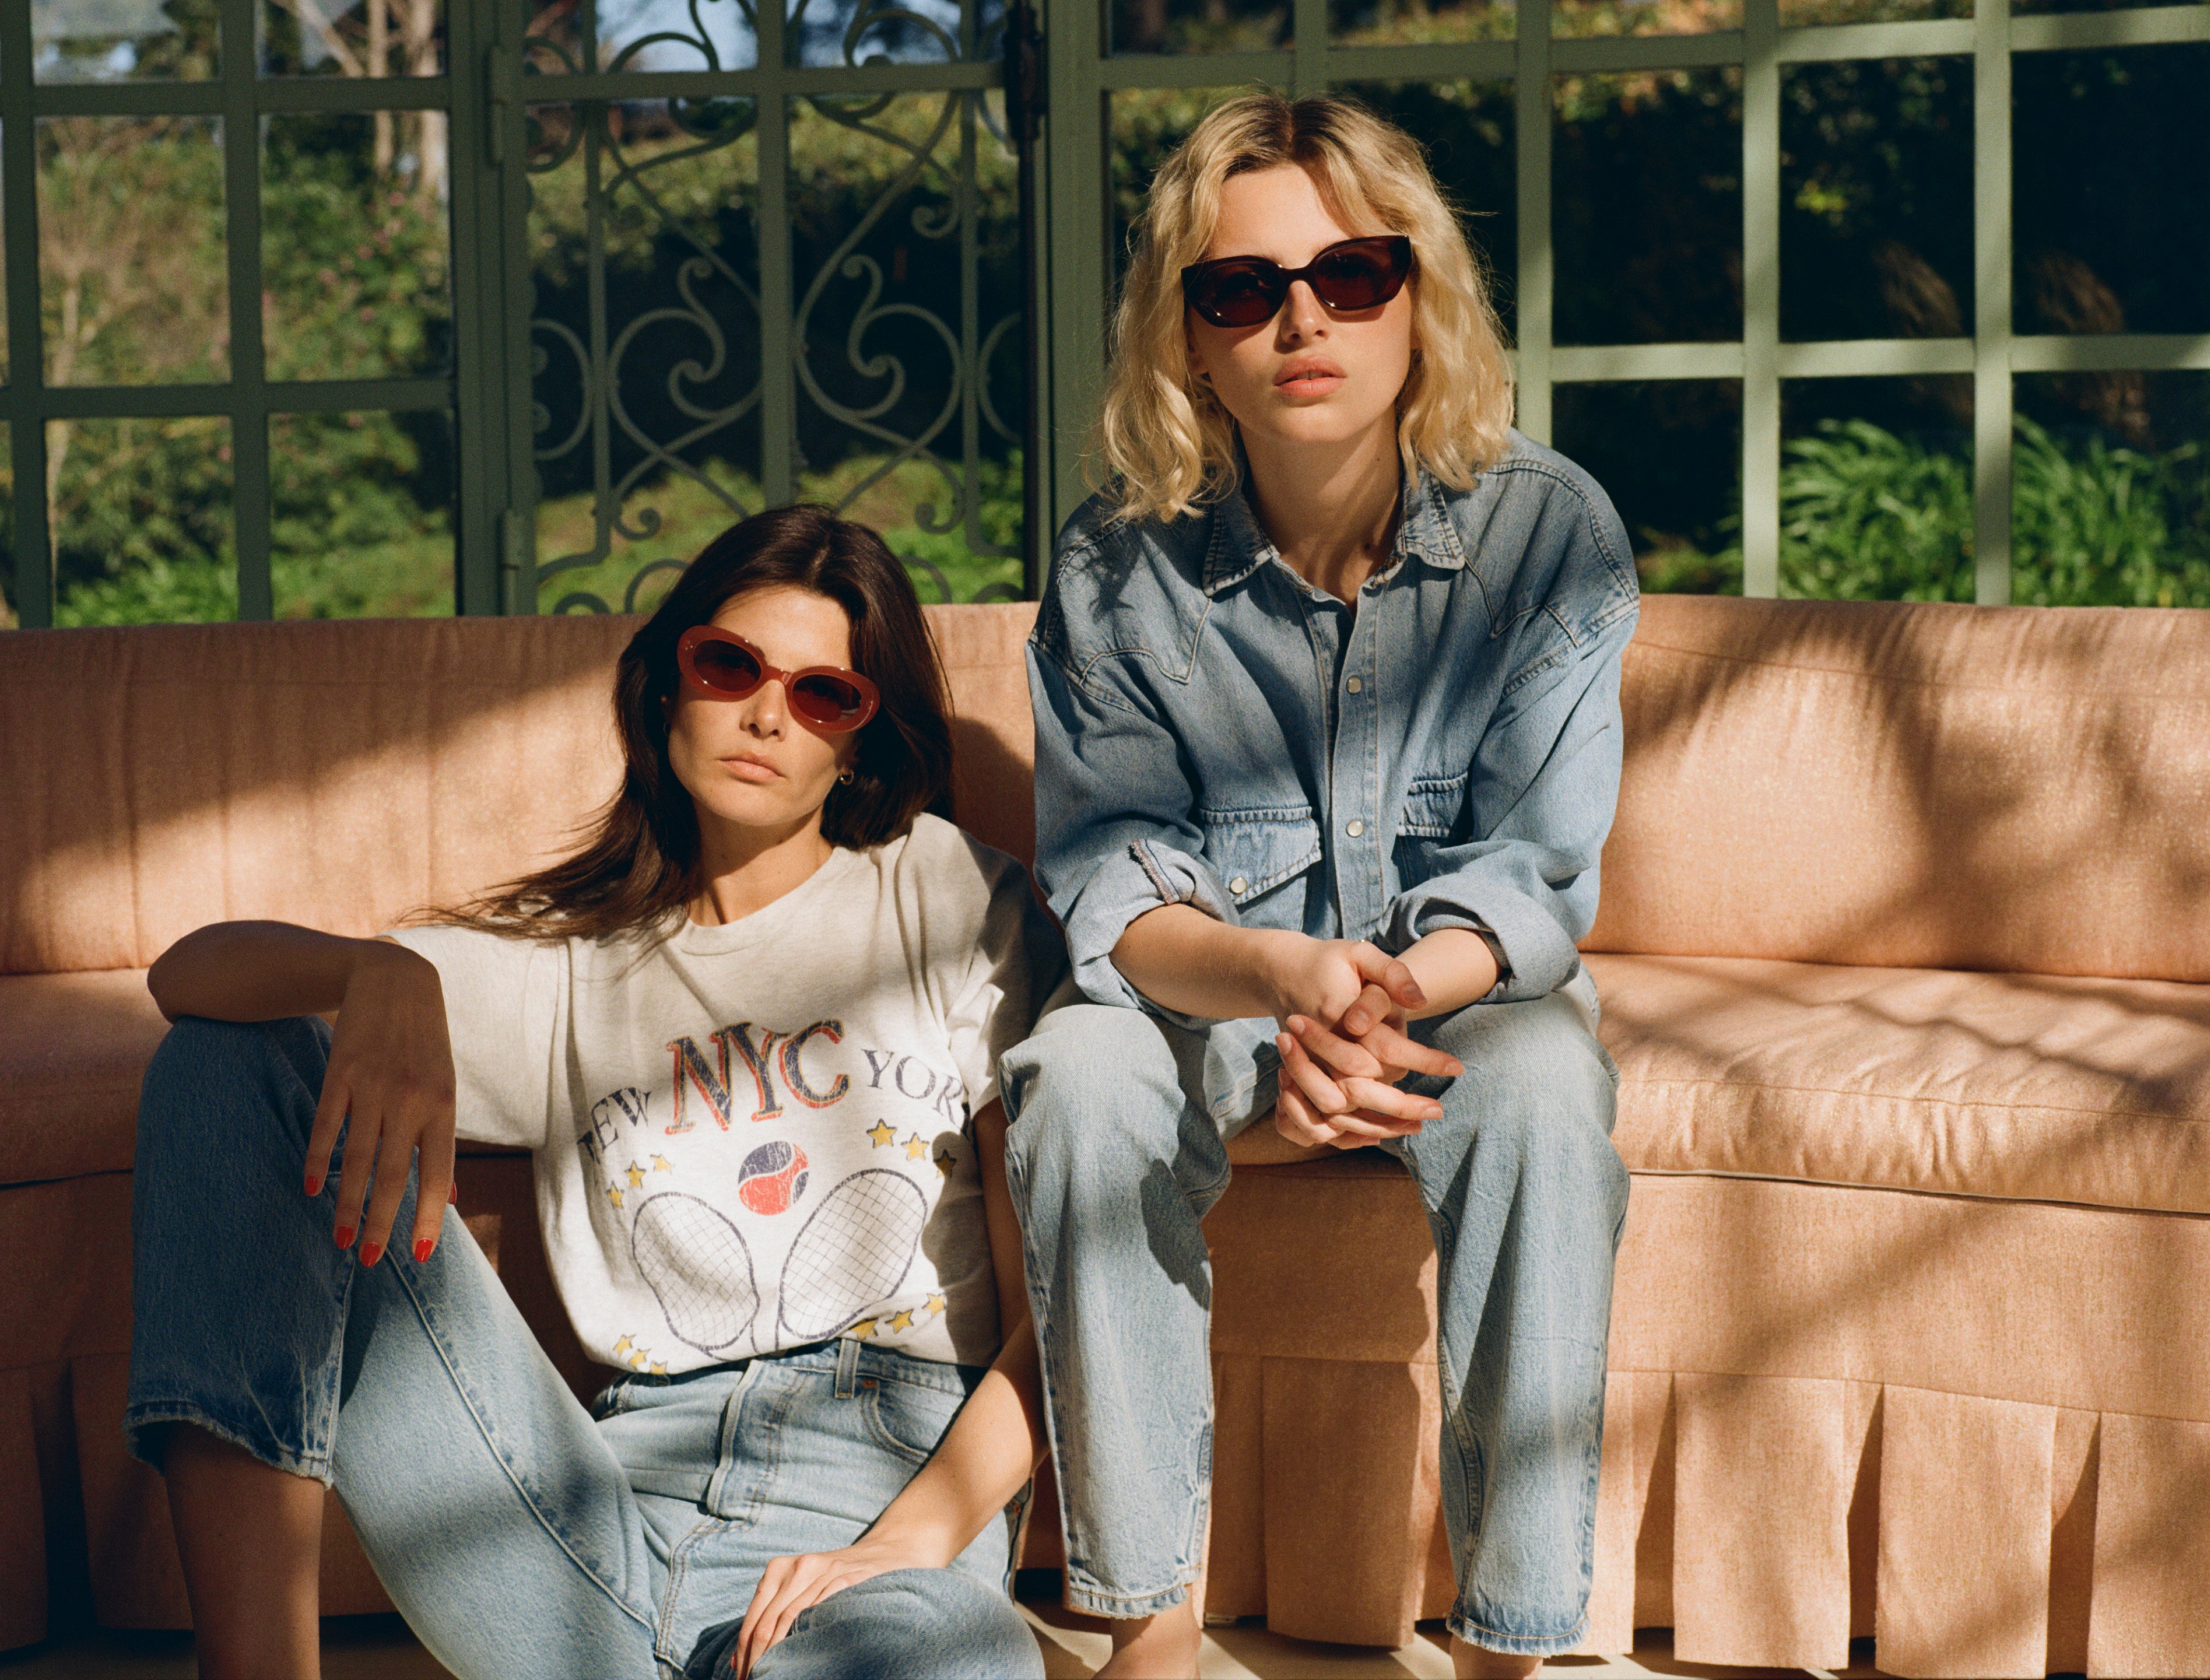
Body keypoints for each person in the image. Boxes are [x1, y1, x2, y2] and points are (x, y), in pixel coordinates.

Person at [126, 505, 1060, 1680]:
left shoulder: (948, 900)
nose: (768, 714)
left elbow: (1057, 1311)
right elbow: (190, 976)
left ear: (860, 744)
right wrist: (378, 971)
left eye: (825, 694)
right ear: (670, 682)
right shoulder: (570, 964)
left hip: (874, 1521)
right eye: (731, 665)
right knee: (226, 1064)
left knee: (951, 1653)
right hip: (594, 1533)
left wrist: (904, 1544)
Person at [1001, 94, 1637, 1679]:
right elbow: (1117, 896)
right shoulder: (1112, 568)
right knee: (1077, 1076)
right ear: (1189, 339)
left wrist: (1385, 997)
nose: (1303, 322)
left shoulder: (1548, 533)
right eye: (1244, 289)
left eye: (1352, 275)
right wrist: (1287, 983)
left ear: (1420, 300)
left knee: (1545, 1081)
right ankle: (1146, 1627)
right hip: (1217, 1009)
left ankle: (1507, 1648)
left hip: (1451, 1011)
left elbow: (1536, 875)